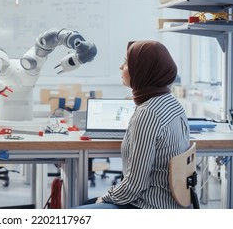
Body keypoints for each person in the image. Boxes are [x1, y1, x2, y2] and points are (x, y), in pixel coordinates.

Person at [75, 40, 190, 209]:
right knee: (88, 203)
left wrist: (105, 197)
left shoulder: (148, 113)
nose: (121, 67)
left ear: (143, 69)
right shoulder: (170, 101)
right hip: (171, 202)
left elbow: (135, 185)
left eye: (127, 62)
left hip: (148, 205)